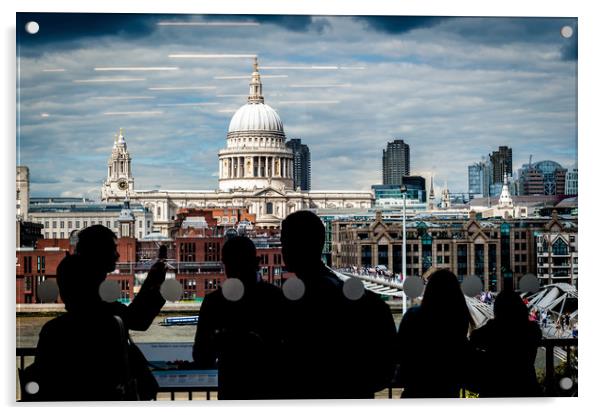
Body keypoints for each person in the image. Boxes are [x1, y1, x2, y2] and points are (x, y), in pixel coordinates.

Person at [29, 225, 166, 401]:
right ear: (99, 252)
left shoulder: (53, 329)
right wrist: (153, 283)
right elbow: (139, 320)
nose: (117, 255)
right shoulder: (106, 318)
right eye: (113, 249)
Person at [279, 210, 397, 399]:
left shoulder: (281, 308)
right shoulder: (370, 303)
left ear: (294, 247)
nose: (281, 250)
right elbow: (386, 370)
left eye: (284, 243)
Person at [193, 236, 286, 399]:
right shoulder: (276, 297)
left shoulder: (214, 302)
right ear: (257, 262)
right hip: (270, 390)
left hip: (232, 390)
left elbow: (201, 357)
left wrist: (222, 340)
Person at [396, 269, 474, 398]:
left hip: (415, 391)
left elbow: (399, 351)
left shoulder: (412, 317)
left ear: (429, 290)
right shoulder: (458, 320)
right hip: (447, 393)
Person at [469, 290, 542, 397]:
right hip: (527, 386)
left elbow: (474, 337)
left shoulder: (494, 329)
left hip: (496, 387)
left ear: (498, 309)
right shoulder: (533, 329)